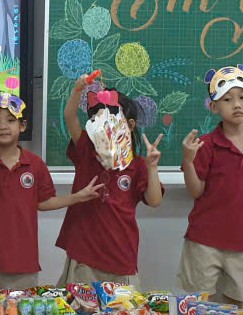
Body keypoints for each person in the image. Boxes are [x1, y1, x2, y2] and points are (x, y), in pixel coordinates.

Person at [0, 93, 103, 290]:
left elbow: (42, 202)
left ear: (22, 126)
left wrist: (78, 197)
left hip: (21, 258)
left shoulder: (35, 163)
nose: (3, 126)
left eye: (11, 120)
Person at [179, 65, 243, 306]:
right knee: (199, 305)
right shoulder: (206, 145)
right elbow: (195, 191)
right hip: (204, 240)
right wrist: (188, 161)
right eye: (228, 99)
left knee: (236, 307)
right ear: (214, 107)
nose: (237, 104)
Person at [56, 82, 164, 286]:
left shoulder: (138, 165)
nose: (102, 127)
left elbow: (155, 200)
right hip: (84, 258)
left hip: (121, 259)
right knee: (80, 314)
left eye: (110, 121)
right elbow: (69, 116)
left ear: (129, 126)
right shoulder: (86, 150)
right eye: (96, 120)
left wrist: (152, 168)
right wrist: (77, 90)